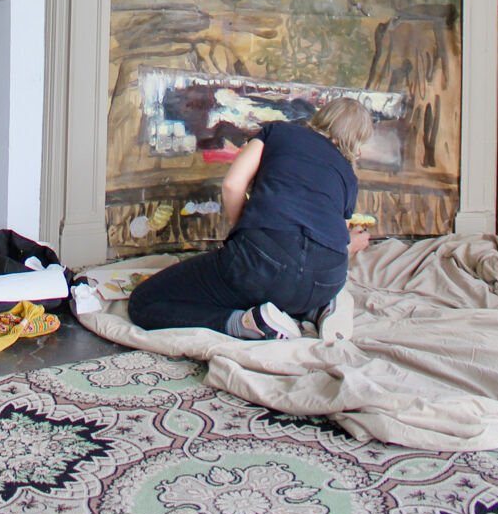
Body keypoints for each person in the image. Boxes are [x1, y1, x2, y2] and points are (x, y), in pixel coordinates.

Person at [128, 96, 374, 342]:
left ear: (322, 117)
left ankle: (249, 324)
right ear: (356, 140)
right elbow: (337, 241)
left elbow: (232, 185)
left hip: (260, 263)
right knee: (290, 278)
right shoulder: (348, 174)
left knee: (144, 302)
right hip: (326, 282)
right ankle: (316, 309)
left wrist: (244, 234)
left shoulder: (278, 132)